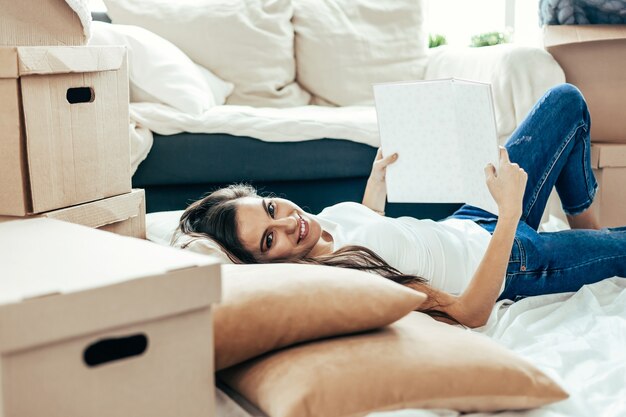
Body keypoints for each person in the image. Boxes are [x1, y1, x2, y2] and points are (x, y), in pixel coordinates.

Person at [177, 84, 626, 328]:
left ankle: (584, 224)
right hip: (513, 262)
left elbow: (367, 227)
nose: (291, 221)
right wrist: (510, 214)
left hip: (472, 217)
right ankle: (590, 238)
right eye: (269, 239)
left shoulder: (315, 226)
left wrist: (376, 188)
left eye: (272, 208)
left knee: (565, 101)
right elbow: (468, 312)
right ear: (264, 265)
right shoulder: (350, 279)